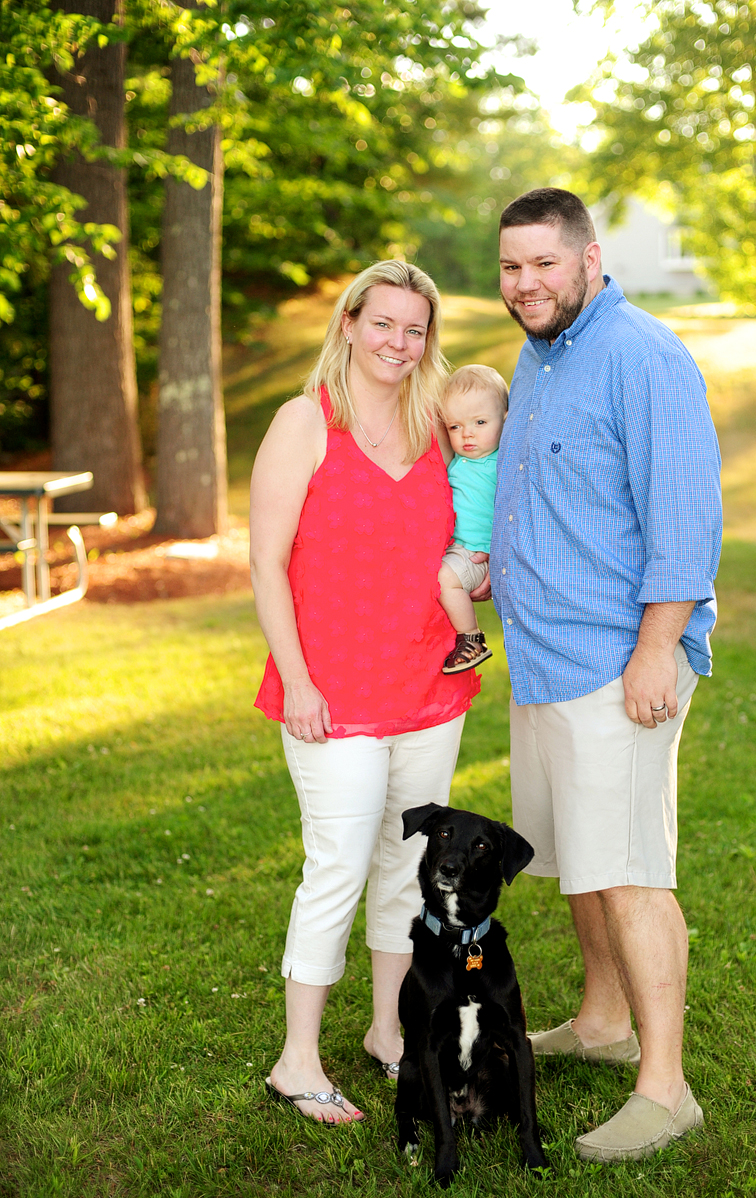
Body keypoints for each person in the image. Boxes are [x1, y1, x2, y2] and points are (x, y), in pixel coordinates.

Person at [490, 188, 722, 1162]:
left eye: (544, 263)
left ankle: (665, 1091)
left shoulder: (644, 356)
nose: (525, 283)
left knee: (628, 869)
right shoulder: (538, 357)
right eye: (510, 267)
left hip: (617, 661)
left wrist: (656, 648)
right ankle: (601, 1019)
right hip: (543, 660)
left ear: (590, 259)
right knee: (580, 862)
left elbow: (683, 519)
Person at [250, 261, 480, 1124]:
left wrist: (473, 573)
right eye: (382, 323)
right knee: (337, 866)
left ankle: (387, 1033)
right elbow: (267, 564)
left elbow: (456, 541)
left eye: (414, 329)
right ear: (349, 323)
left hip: (426, 685)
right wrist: (299, 681)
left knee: (407, 869)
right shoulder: (304, 422)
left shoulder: (436, 426)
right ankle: (296, 1060)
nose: (398, 342)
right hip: (331, 695)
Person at [437, 364, 508, 674]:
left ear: (505, 420)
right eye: (455, 427)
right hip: (460, 547)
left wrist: (499, 552)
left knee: (444, 581)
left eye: (480, 422)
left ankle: (472, 638)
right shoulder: (460, 462)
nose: (467, 434)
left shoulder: (502, 463)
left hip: (477, 552)